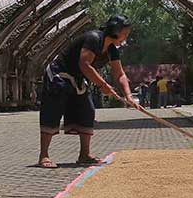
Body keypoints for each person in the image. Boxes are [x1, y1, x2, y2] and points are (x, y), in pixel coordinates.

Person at [38, 15, 134, 168]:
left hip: (79, 78)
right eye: (125, 34)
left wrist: (128, 96)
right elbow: (85, 64)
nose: (125, 38)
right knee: (53, 110)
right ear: (116, 31)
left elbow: (119, 74)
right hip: (60, 74)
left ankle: (84, 154)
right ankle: (43, 155)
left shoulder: (112, 50)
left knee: (87, 111)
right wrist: (103, 85)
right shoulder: (93, 38)